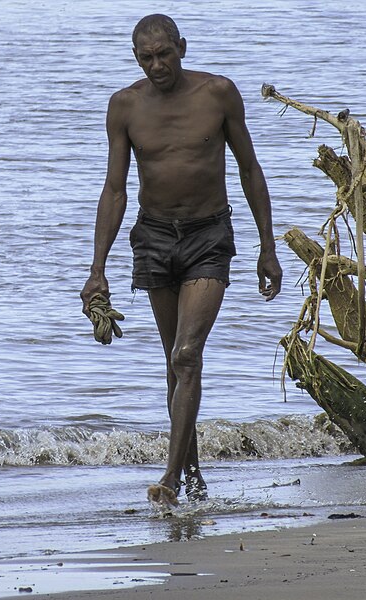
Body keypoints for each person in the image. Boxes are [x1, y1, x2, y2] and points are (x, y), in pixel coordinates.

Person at [80, 14, 282, 507]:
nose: (156, 65)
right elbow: (114, 189)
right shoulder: (124, 107)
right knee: (174, 363)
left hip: (208, 235)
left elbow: (250, 170)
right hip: (152, 237)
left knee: (186, 354)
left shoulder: (218, 94)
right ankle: (192, 475)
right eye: (146, 58)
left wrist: (267, 246)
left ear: (182, 48)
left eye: (164, 54)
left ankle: (168, 479)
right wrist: (97, 267)